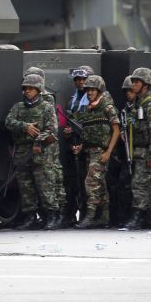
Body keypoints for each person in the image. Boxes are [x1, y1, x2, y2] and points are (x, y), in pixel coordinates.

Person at [5, 74, 66, 230]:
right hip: (22, 152)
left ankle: (53, 216)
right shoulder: (18, 107)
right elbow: (9, 121)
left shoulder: (47, 107)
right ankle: (30, 217)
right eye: (25, 88)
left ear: (38, 90)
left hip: (41, 152)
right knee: (26, 187)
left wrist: (39, 141)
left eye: (31, 88)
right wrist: (25, 126)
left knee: (45, 186)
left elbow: (52, 130)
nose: (27, 91)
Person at [71, 75, 120, 228]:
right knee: (101, 185)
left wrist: (108, 152)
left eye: (93, 90)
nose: (90, 93)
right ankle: (105, 217)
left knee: (90, 183)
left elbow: (116, 130)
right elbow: (89, 132)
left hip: (101, 152)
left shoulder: (107, 107)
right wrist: (81, 146)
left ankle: (90, 217)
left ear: (99, 90)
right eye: (88, 90)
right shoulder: (89, 109)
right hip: (89, 151)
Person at [123, 68, 151, 230]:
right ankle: (147, 217)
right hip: (136, 151)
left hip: (146, 151)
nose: (133, 85)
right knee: (143, 185)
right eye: (133, 82)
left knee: (138, 185)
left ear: (146, 85)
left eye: (137, 82)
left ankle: (138, 215)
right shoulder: (137, 104)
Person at [63, 65, 94, 223]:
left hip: (89, 146)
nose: (81, 82)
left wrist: (83, 144)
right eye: (78, 79)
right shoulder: (72, 101)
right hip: (74, 147)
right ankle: (71, 214)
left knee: (87, 184)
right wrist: (69, 136)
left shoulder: (94, 101)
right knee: (73, 183)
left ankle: (86, 214)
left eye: (84, 79)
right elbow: (68, 123)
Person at [106, 76, 135, 226]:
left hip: (138, 153)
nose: (129, 93)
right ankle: (123, 217)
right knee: (122, 186)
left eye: (131, 90)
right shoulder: (125, 110)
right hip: (125, 154)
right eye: (127, 91)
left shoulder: (143, 107)